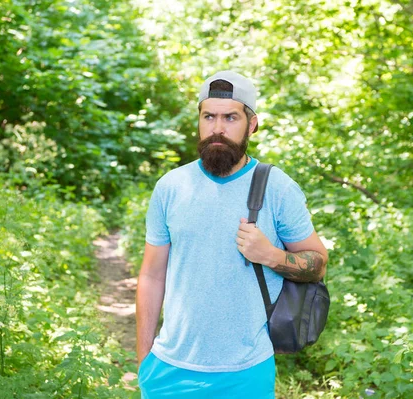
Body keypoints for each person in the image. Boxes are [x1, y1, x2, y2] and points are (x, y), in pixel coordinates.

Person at [135, 70, 328, 398]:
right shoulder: (171, 187)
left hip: (247, 373)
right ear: (198, 120)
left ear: (251, 124)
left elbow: (319, 263)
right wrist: (144, 362)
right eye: (209, 116)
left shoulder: (277, 187)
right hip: (168, 370)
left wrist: (271, 255)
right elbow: (152, 276)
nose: (218, 128)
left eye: (230, 117)